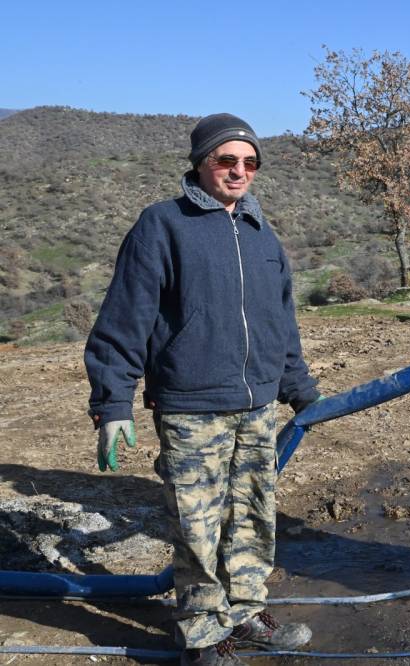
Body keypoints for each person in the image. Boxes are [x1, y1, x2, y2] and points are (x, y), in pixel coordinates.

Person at [85, 113, 320, 666]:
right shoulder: (162, 225)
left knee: (254, 516)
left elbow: (281, 324)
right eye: (226, 160)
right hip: (192, 407)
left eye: (249, 162)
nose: (239, 171)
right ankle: (200, 633)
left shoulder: (264, 234)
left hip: (257, 408)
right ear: (200, 163)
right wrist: (113, 403)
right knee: (197, 524)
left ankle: (245, 614)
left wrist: (300, 387)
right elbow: (125, 320)